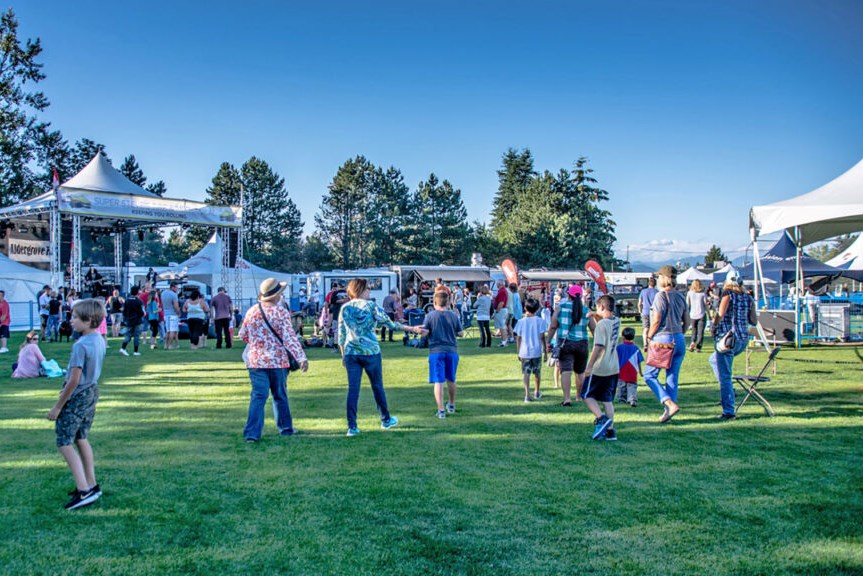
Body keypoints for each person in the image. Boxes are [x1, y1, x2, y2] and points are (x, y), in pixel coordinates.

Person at [46, 299, 107, 510]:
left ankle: (84, 491)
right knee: (81, 437)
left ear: (88, 320)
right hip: (92, 392)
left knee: (64, 441)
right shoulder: (99, 339)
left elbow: (73, 380)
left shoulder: (81, 345)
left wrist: (58, 406)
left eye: (74, 317)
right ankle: (91, 484)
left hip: (78, 395)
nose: (70, 321)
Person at [338, 278, 411, 437]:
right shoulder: (371, 306)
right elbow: (390, 324)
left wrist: (343, 355)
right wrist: (412, 329)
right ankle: (385, 419)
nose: (369, 291)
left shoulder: (345, 308)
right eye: (368, 289)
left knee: (353, 390)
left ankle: (352, 426)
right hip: (371, 352)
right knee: (377, 386)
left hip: (352, 353)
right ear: (362, 290)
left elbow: (341, 335)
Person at [238, 278, 308, 442]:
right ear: (277, 296)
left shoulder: (252, 311)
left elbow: (243, 335)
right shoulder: (281, 312)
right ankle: (285, 428)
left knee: (258, 397)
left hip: (256, 361)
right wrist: (301, 357)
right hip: (277, 361)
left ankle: (252, 434)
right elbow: (289, 338)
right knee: (280, 396)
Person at [644, 266, 689, 424]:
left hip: (663, 339)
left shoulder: (660, 296)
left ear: (663, 278)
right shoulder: (681, 296)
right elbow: (687, 320)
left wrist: (649, 337)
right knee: (672, 376)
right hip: (679, 338)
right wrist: (680, 333)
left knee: (649, 375)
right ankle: (668, 411)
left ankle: (668, 403)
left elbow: (656, 320)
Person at [710, 272, 757, 420]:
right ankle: (729, 391)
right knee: (713, 359)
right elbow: (754, 320)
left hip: (728, 339)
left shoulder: (727, 294)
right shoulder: (748, 298)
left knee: (725, 376)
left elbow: (721, 314)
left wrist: (714, 325)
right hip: (742, 339)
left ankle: (729, 411)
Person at [416, 291, 463, 418]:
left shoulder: (430, 316)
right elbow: (461, 333)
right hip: (452, 350)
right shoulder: (453, 316)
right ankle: (451, 405)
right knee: (451, 379)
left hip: (436, 351)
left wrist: (417, 330)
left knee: (438, 381)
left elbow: (425, 332)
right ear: (448, 302)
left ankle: (441, 410)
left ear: (434, 302)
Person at [582, 295, 621, 440]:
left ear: (602, 307)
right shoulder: (616, 321)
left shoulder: (601, 325)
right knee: (607, 399)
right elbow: (605, 323)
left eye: (598, 308)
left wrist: (589, 366)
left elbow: (598, 346)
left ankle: (601, 419)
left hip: (600, 367)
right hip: (613, 366)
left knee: (586, 394)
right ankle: (611, 431)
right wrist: (595, 314)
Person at [547, 285, 591, 406]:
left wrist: (548, 341)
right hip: (582, 343)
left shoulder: (561, 308)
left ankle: (567, 398)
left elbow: (553, 326)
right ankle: (580, 396)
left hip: (565, 343)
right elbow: (593, 328)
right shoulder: (586, 310)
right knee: (580, 371)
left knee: (566, 370)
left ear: (568, 295)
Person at [514, 298, 548, 402]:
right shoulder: (540, 321)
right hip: (536, 350)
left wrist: (518, 351)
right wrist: (545, 351)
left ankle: (527, 394)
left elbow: (518, 338)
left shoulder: (520, 322)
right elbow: (542, 337)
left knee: (526, 373)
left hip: (524, 351)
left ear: (525, 308)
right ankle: (537, 391)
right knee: (537, 372)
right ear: (537, 309)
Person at [616, 327, 643, 407]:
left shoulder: (619, 347)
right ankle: (632, 399)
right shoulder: (636, 348)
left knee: (621, 386)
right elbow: (638, 361)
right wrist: (640, 372)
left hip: (621, 370)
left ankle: (622, 399)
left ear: (623, 336)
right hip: (632, 371)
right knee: (632, 386)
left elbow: (616, 359)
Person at [119, 286, 145, 357]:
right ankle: (135, 351)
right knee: (136, 336)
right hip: (137, 321)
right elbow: (141, 312)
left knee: (128, 335)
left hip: (129, 320)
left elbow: (124, 311)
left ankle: (123, 348)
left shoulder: (127, 300)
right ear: (137, 292)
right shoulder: (139, 301)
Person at [686, 279, 709, 352]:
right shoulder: (702, 294)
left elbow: (688, 304)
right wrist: (709, 314)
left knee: (694, 330)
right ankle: (698, 347)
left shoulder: (689, 293)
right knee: (700, 332)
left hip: (692, 314)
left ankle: (692, 342)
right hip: (701, 314)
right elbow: (705, 305)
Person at [637, 277, 658, 351]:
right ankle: (652, 343)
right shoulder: (657, 292)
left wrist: (640, 311)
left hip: (645, 311)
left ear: (648, 283)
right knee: (654, 328)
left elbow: (639, 303)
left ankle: (645, 344)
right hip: (654, 312)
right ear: (655, 284)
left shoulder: (643, 291)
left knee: (646, 328)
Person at [161, 282, 181, 350]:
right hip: (173, 314)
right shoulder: (174, 295)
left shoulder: (163, 293)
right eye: (176, 288)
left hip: (166, 314)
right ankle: (170, 345)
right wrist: (179, 313)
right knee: (173, 330)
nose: (177, 289)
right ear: (172, 287)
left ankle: (165, 344)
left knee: (168, 330)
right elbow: (176, 306)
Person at [492, 280, 510, 347]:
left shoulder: (502, 291)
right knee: (502, 326)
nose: (496, 285)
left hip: (501, 310)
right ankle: (503, 340)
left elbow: (501, 302)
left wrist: (497, 310)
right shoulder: (502, 291)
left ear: (499, 284)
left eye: (497, 284)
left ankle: (504, 341)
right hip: (502, 310)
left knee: (502, 326)